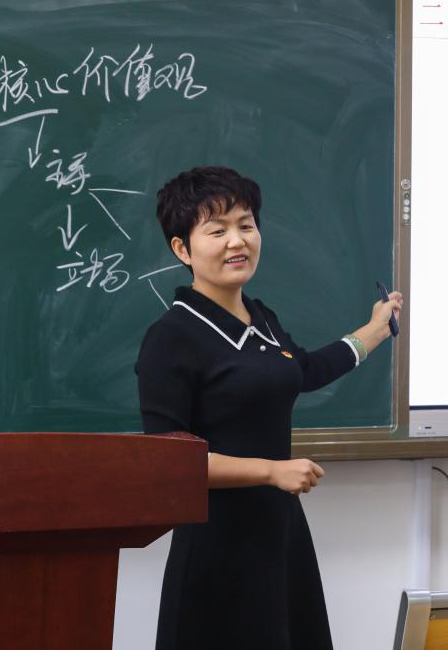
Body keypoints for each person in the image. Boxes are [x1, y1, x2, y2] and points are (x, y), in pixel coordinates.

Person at [136, 166, 402, 650]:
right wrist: (271, 471)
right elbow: (168, 463)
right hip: (217, 547)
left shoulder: (261, 317)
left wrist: (376, 330)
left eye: (246, 224)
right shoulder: (171, 338)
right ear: (182, 249)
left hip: (279, 534)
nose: (237, 241)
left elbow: (306, 370)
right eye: (217, 230)